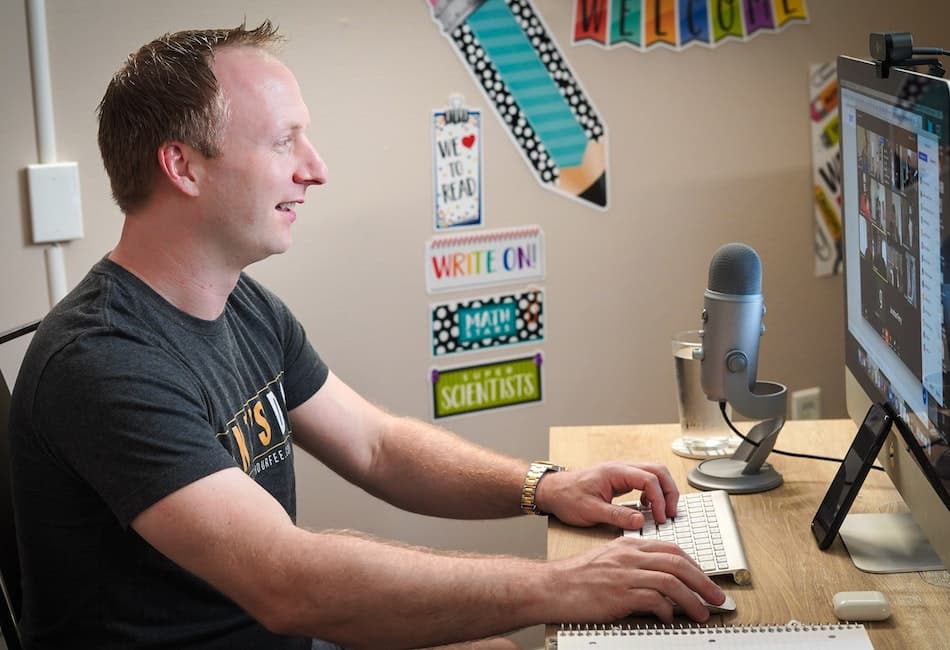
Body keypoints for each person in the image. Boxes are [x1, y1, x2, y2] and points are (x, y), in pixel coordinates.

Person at [8, 21, 725, 650]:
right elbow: (288, 583)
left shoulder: (244, 306)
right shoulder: (102, 363)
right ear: (183, 165)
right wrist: (564, 585)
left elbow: (376, 447)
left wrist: (543, 487)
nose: (315, 168)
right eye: (283, 140)